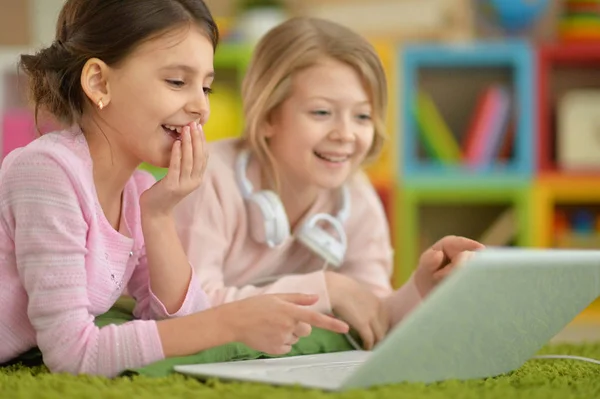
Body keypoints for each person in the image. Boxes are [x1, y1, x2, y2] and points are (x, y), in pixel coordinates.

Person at [0, 1, 349, 378]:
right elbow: (71, 355)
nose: (201, 107)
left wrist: (160, 214)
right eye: (177, 82)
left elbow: (181, 319)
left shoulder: (138, 192)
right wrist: (230, 322)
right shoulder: (47, 173)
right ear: (99, 82)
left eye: (207, 88)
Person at [173, 16, 484, 351]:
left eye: (362, 116)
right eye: (322, 113)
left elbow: (374, 319)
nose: (346, 134)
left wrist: (423, 285)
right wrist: (327, 288)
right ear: (267, 118)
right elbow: (194, 309)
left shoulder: (357, 196)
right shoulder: (209, 179)